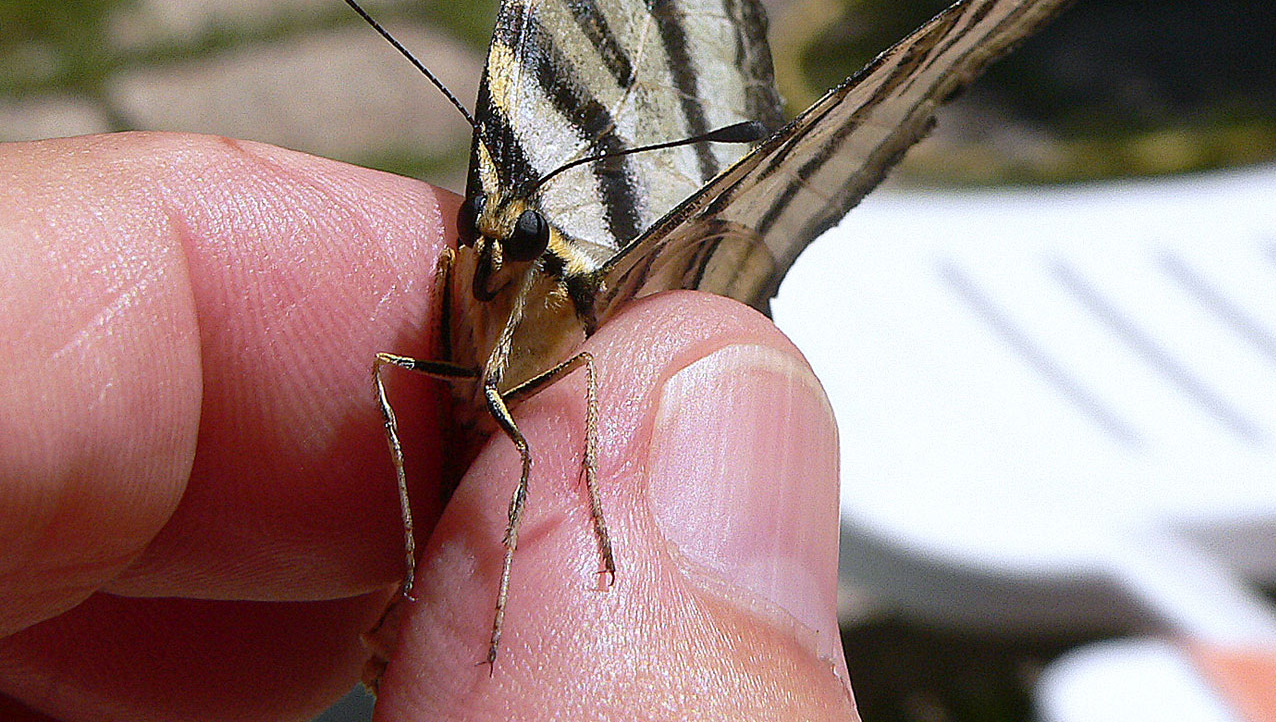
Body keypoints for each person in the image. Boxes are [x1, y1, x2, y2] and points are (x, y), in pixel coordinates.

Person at [0, 133, 856, 720]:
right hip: (435, 469)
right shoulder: (484, 264)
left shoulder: (562, 288)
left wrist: (595, 488)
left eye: (509, 236)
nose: (488, 241)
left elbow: (587, 371)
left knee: (556, 416)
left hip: (538, 414)